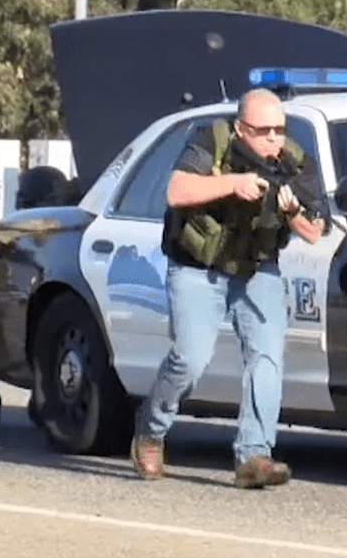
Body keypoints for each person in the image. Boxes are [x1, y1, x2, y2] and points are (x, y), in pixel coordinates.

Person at [131, 88, 325, 489]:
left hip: (256, 269)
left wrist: (292, 212)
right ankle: (151, 429)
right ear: (240, 129)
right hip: (198, 267)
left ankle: (254, 454)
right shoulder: (212, 140)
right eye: (264, 130)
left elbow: (314, 229)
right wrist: (233, 183)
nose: (274, 138)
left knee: (267, 356)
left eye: (280, 129)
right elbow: (176, 190)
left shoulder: (293, 161)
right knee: (191, 358)